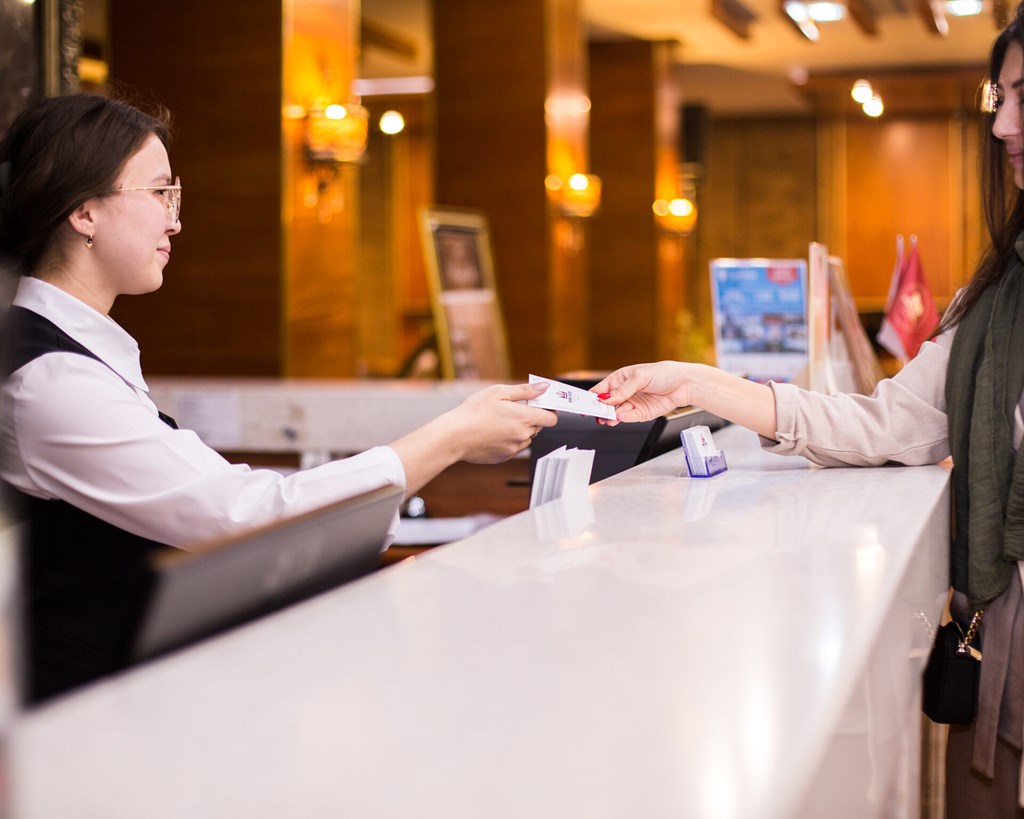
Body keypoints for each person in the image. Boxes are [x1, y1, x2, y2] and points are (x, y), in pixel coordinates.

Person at [591, 9, 1024, 817]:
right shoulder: (995, 296)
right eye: (998, 96)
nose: (1001, 123)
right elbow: (885, 424)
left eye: (1022, 97)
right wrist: (699, 384)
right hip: (1004, 652)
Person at [0, 93, 556, 703]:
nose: (175, 221)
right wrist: (451, 435)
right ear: (84, 211)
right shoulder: (49, 380)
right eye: (160, 194)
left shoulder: (81, 354)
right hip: (87, 727)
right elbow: (248, 516)